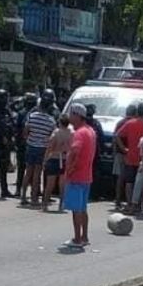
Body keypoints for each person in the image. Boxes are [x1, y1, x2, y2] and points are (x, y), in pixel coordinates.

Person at [64, 103, 97, 248]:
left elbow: (75, 151)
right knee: (82, 208)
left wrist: (70, 169)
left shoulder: (80, 133)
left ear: (77, 115)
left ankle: (77, 238)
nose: (70, 117)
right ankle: (85, 236)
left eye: (71, 114)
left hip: (77, 176)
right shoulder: (90, 131)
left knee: (76, 209)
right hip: (86, 175)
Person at [22, 89, 58, 206]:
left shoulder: (32, 116)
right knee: (37, 173)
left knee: (28, 172)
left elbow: (25, 131)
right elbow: (51, 137)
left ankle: (23, 196)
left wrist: (29, 140)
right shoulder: (51, 121)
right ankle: (34, 198)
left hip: (30, 146)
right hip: (42, 148)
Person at [115, 102, 143, 213]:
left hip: (130, 156)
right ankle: (141, 205)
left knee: (129, 182)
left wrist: (124, 149)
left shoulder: (130, 123)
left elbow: (117, 135)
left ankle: (130, 203)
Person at [43, 114, 73, 212]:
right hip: (65, 159)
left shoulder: (56, 132)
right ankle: (61, 205)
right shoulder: (72, 133)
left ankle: (45, 204)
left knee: (50, 184)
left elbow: (50, 147)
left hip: (54, 159)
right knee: (62, 185)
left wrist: (45, 159)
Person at [113, 104, 138, 209]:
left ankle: (118, 199)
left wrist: (116, 150)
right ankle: (131, 201)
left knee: (120, 177)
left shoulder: (120, 122)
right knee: (131, 178)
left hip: (119, 153)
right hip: (130, 153)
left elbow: (115, 137)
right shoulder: (133, 123)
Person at [14, 93, 37, 193]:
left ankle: (30, 190)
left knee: (27, 168)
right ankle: (21, 189)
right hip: (26, 144)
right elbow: (18, 128)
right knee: (25, 168)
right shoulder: (23, 113)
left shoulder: (25, 113)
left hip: (27, 144)